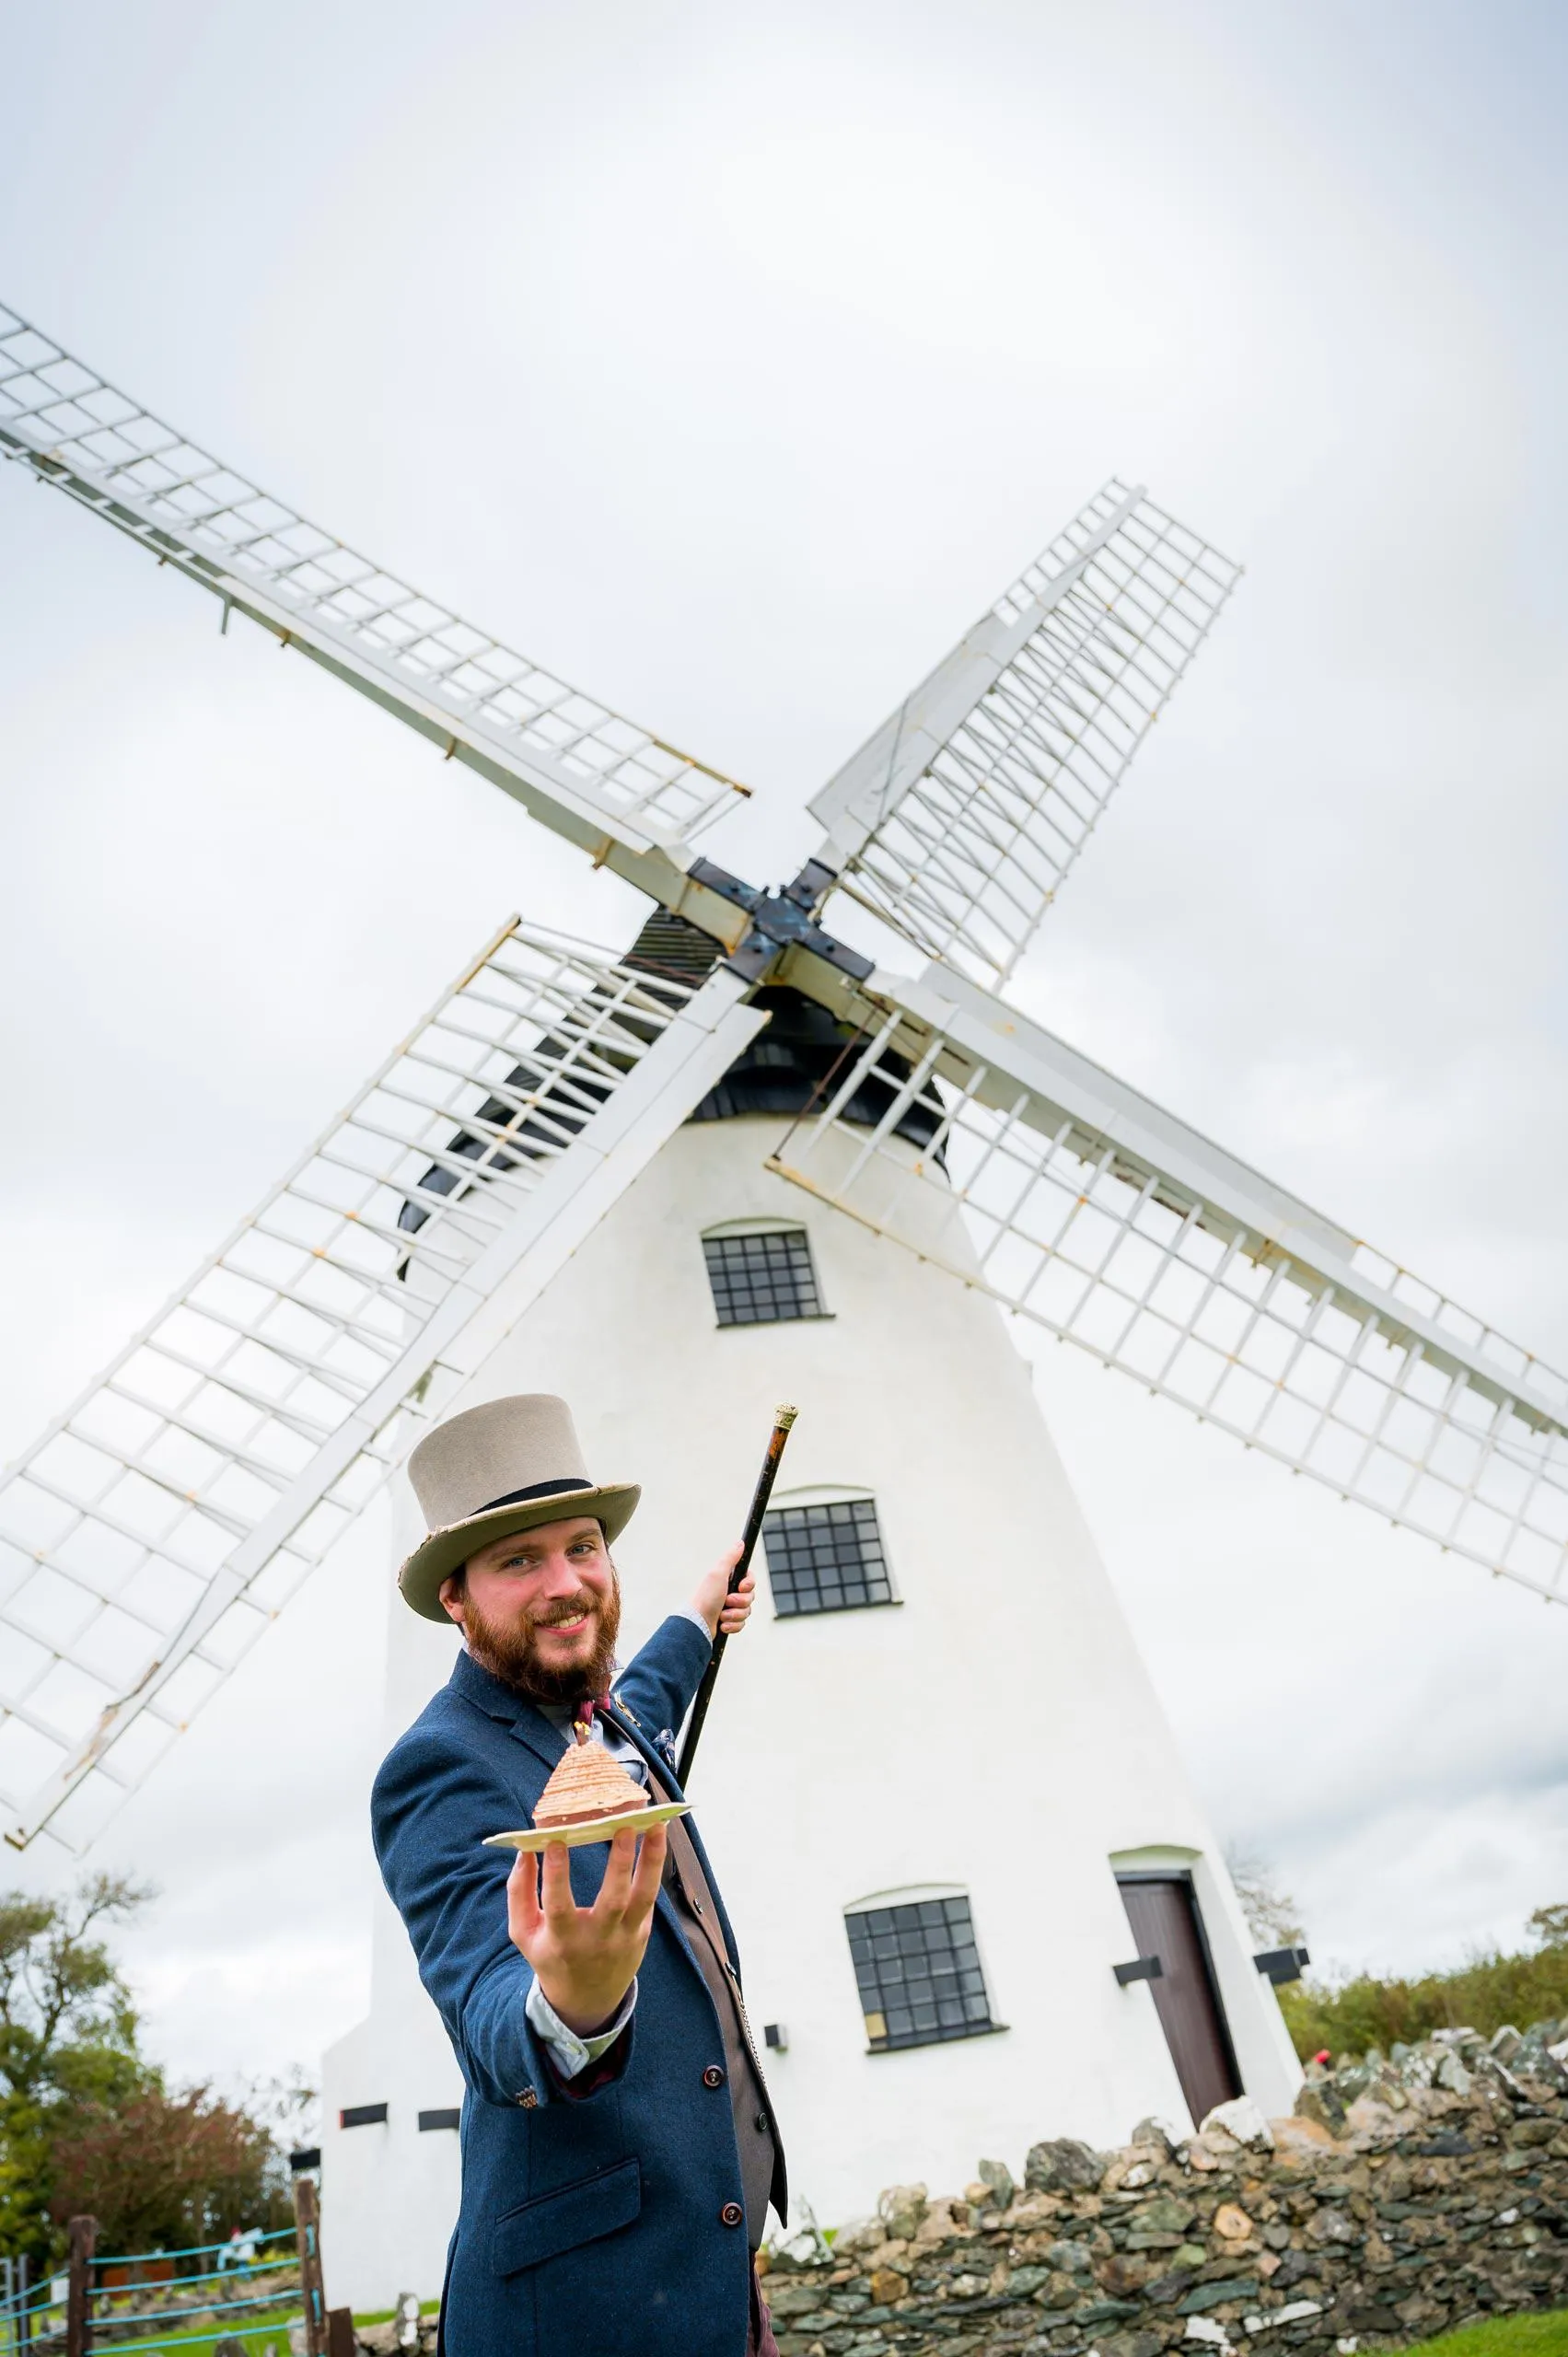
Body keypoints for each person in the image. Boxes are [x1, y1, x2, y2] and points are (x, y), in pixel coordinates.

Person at [373, 1393, 785, 2357]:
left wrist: (693, 1616)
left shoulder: (601, 1721)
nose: (566, 1584)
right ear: (455, 1596)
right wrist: (574, 2003)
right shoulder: (440, 1765)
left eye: (583, 1547)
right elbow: (488, 2005)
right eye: (519, 1560)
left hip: (710, 2275)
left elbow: (639, 1698)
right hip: (585, 2314)